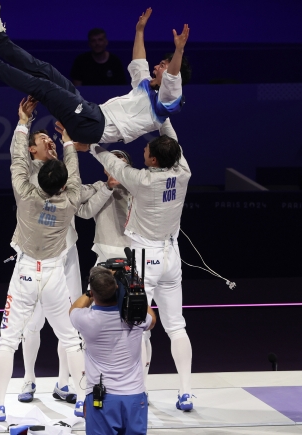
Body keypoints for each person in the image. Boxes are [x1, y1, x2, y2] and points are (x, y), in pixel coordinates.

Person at [0, 99, 87, 422]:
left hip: (26, 271)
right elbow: (76, 178)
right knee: (71, 339)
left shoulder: (25, 195)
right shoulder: (70, 199)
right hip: (55, 274)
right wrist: (68, 142)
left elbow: (16, 160)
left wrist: (23, 121)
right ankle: (83, 401)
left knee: (7, 339)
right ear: (63, 181)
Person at [11, 98, 116, 406]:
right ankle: (28, 379)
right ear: (33, 150)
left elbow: (75, 184)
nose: (50, 143)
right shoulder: (28, 172)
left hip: (66, 253)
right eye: (44, 141)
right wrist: (23, 124)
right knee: (32, 323)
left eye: (51, 140)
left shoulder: (63, 175)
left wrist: (68, 144)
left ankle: (62, 383)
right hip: (32, 255)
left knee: (70, 322)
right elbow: (16, 156)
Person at [84, 126, 194, 411]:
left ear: (153, 160)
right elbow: (175, 144)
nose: (142, 151)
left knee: (137, 327)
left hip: (147, 258)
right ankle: (185, 393)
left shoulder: (142, 180)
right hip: (172, 255)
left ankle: (139, 392)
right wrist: (162, 116)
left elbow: (111, 162)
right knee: (176, 326)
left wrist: (91, 145)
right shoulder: (183, 172)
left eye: (146, 151)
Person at [0, 4, 190, 146]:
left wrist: (179, 50)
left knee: (44, 88)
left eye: (162, 65)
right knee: (48, 72)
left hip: (93, 126)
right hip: (92, 113)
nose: (156, 67)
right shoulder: (145, 87)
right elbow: (139, 62)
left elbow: (172, 78)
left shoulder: (168, 102)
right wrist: (140, 31)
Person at [70, 266, 156, 434]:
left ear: (93, 294)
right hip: (134, 397)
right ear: (116, 287)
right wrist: (136, 289)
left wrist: (91, 291)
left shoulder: (85, 320)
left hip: (103, 399)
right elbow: (152, 320)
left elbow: (74, 309)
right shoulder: (135, 319)